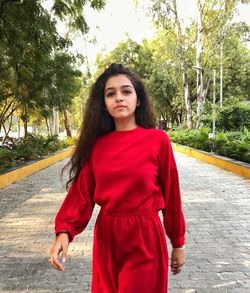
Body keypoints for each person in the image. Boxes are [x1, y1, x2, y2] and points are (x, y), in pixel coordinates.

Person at [49, 63, 186, 292]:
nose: (119, 98)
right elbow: (81, 195)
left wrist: (178, 243)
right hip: (107, 238)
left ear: (138, 99)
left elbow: (172, 195)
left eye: (126, 91)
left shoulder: (157, 141)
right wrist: (64, 232)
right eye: (110, 94)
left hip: (145, 238)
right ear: (103, 104)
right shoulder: (97, 147)